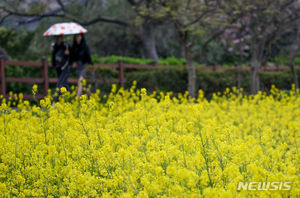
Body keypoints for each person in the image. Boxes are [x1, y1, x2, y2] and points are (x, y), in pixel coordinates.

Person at [51, 35, 71, 99]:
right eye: (57, 38)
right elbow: (53, 58)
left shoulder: (66, 46)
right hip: (58, 69)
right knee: (64, 85)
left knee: (59, 84)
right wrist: (54, 65)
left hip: (65, 68)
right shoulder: (54, 47)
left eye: (59, 38)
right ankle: (71, 96)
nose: (58, 39)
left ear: (62, 38)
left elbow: (71, 57)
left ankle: (56, 99)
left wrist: (68, 54)